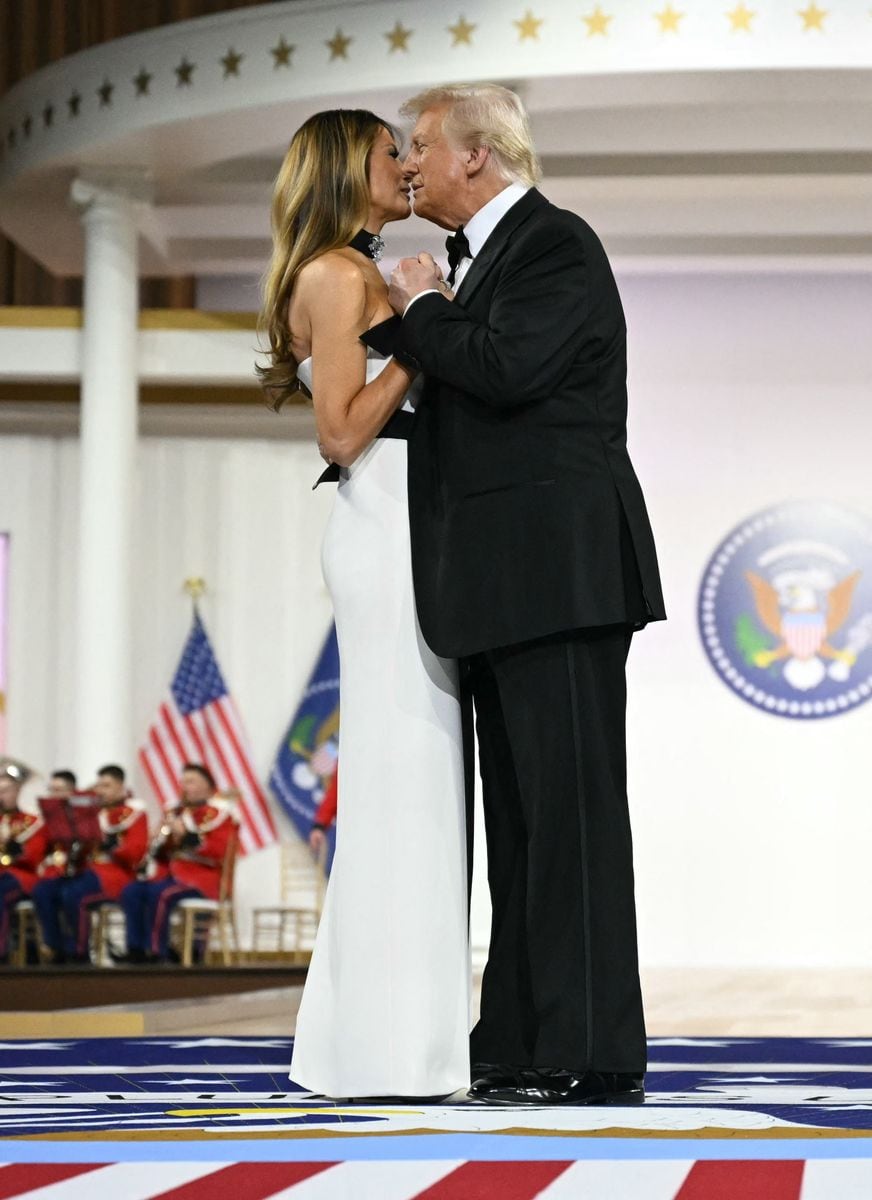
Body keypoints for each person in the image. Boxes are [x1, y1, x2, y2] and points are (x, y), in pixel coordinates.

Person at [387, 84, 666, 1107]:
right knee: (519, 827)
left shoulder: (552, 242)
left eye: (418, 145)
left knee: (570, 823)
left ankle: (588, 1049)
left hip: (560, 574)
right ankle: (515, 1034)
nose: (407, 163)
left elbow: (503, 370)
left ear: (476, 154)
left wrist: (416, 306)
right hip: (507, 583)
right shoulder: (486, 258)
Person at [259, 110, 470, 1099]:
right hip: (382, 520)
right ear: (353, 167)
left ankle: (394, 1041)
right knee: (402, 788)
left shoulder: (355, 271)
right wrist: (419, 346)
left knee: (418, 788)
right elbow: (340, 432)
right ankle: (388, 1049)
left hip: (402, 522)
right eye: (394, 151)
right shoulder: (339, 276)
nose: (407, 165)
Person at [118, 763, 236, 963]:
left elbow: (220, 853)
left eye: (191, 781)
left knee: (161, 895)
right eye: (183, 782)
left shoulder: (221, 814)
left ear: (208, 786)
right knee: (132, 891)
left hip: (203, 879)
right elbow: (164, 854)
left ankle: (157, 952)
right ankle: (136, 949)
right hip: (172, 876)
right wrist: (159, 838)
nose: (184, 786)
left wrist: (186, 835)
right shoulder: (177, 811)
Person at [31, 764, 146, 963]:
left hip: (114, 875)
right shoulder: (90, 812)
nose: (101, 791)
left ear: (121, 787)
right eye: (99, 785)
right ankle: (55, 946)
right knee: (43, 890)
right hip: (85, 870)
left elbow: (136, 854)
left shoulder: (133, 813)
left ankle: (79, 952)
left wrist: (112, 846)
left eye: (107, 786)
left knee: (73, 895)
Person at [0, 758, 45, 964]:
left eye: (5, 791)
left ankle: (2, 953)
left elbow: (34, 857)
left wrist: (15, 848)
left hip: (22, 877)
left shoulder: (32, 821)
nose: (1, 795)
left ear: (18, 791)